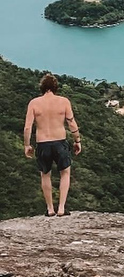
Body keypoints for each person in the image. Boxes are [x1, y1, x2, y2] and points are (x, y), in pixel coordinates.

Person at [23, 73, 82, 217]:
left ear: (42, 87)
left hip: (42, 143)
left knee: (45, 174)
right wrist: (77, 140)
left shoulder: (34, 103)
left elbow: (27, 127)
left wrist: (27, 145)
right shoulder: (64, 101)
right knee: (65, 173)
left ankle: (50, 209)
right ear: (56, 87)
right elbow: (71, 123)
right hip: (60, 142)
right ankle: (61, 208)